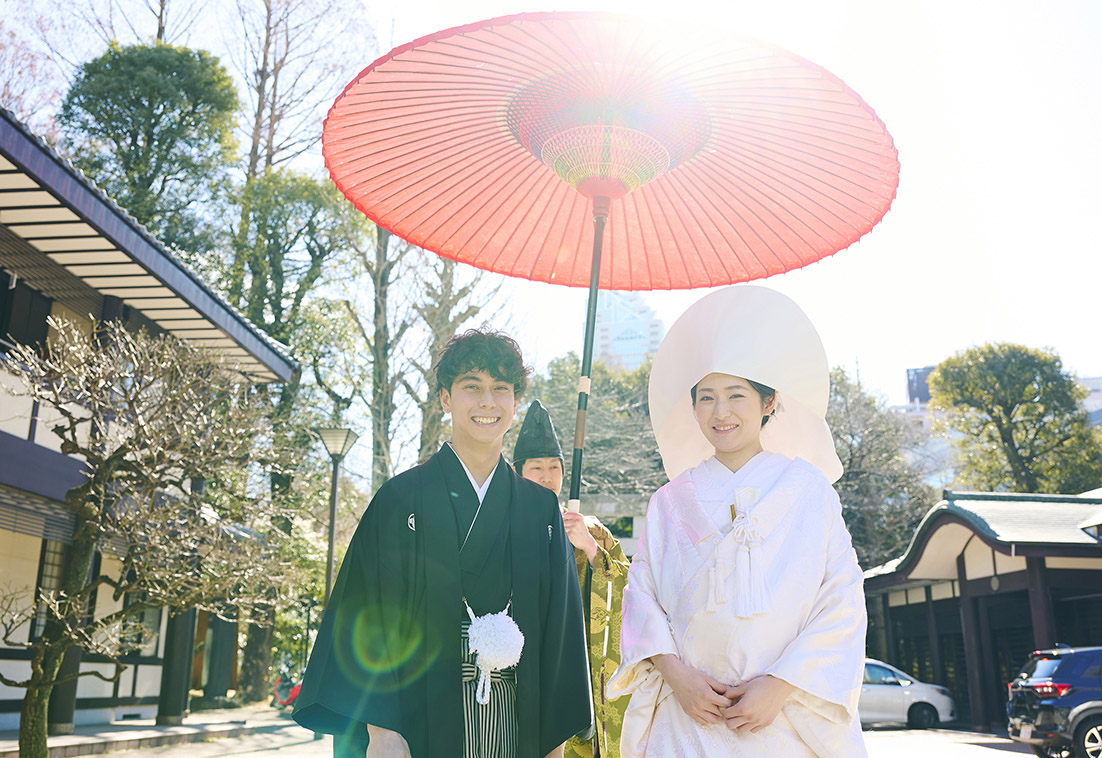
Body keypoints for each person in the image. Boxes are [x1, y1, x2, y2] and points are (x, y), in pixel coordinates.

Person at [293, 329, 592, 758]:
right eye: (472, 387)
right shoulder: (401, 499)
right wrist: (382, 730)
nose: (487, 402)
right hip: (416, 719)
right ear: (446, 399)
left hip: (518, 721)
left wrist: (555, 740)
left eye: (500, 389)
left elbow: (559, 630)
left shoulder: (540, 508)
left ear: (514, 402)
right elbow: (368, 613)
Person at [606, 286, 868, 758]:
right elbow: (640, 596)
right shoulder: (670, 501)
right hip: (688, 719)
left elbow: (843, 600)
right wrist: (677, 677)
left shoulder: (808, 491)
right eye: (706, 397)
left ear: (769, 402)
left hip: (785, 719)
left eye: (736, 395)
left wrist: (782, 684)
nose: (720, 412)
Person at [513, 400, 630, 758]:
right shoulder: (503, 528)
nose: (547, 476)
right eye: (537, 468)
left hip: (579, 671)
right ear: (518, 472)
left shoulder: (591, 529)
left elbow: (634, 593)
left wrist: (592, 550)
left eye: (554, 467)